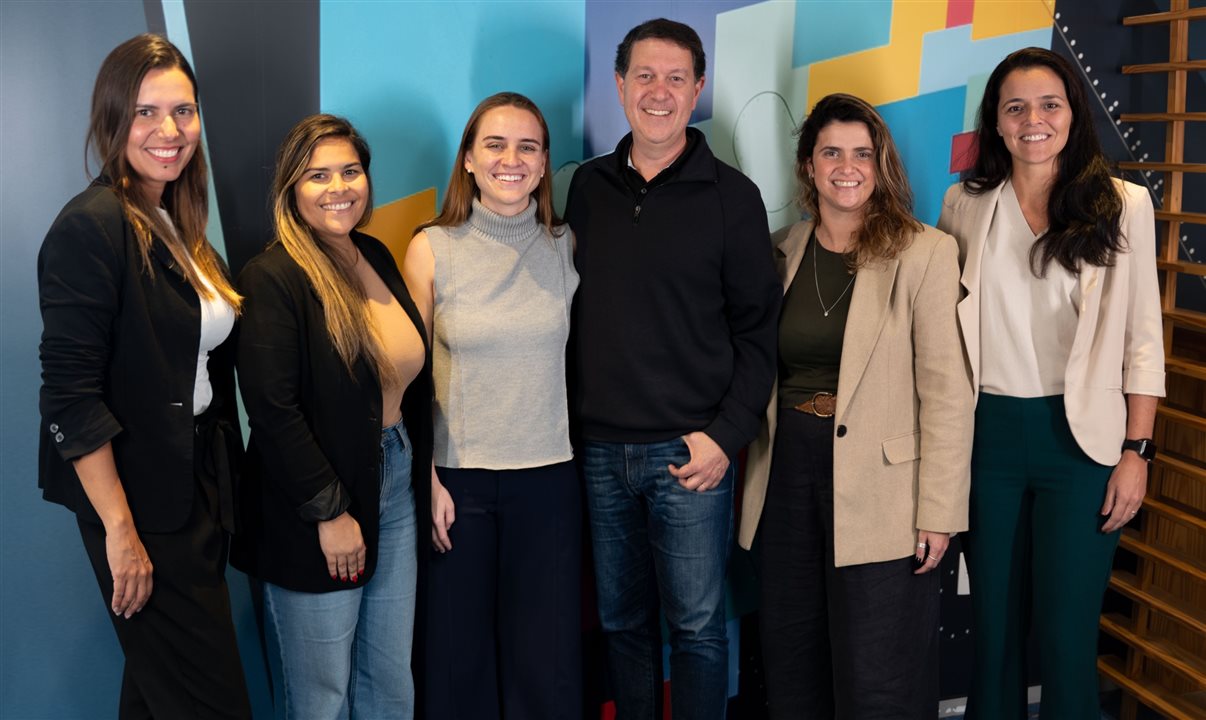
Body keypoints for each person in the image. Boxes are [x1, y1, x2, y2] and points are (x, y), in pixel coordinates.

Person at [937, 47, 1165, 720]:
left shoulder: (1124, 205)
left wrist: (1137, 453)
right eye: (1015, 107)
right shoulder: (964, 204)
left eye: (1049, 104)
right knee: (995, 640)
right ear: (996, 123)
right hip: (990, 443)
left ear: (1074, 114)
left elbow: (1143, 342)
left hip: (1086, 448)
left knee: (1066, 644)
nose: (1032, 120)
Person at [565, 18, 781, 719]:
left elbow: (758, 333)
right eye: (645, 76)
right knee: (622, 624)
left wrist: (723, 436)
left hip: (690, 455)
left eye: (676, 78)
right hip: (599, 452)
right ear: (620, 85)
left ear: (699, 89)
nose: (660, 92)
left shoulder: (733, 198)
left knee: (695, 629)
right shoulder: (586, 189)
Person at [738, 92, 973, 719]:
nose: (848, 166)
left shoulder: (925, 252)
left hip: (885, 485)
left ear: (881, 163)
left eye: (863, 153)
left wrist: (940, 512)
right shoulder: (778, 249)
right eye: (832, 152)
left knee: (880, 674)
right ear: (808, 165)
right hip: (786, 475)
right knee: (792, 660)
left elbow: (948, 393)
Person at [37, 33, 252, 719]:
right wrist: (119, 533)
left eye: (183, 111)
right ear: (112, 119)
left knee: (159, 699)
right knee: (209, 704)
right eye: (146, 112)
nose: (170, 130)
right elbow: (69, 398)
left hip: (194, 493)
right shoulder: (90, 228)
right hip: (136, 505)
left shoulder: (176, 223)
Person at [232, 114, 432, 720]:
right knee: (322, 697)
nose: (338, 187)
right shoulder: (273, 277)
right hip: (316, 502)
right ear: (292, 188)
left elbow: (404, 378)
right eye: (317, 175)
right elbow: (272, 410)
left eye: (350, 171)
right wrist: (329, 512)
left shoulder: (371, 252)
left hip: (394, 478)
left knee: (390, 681)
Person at [402, 91, 581, 720]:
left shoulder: (565, 246)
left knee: (546, 664)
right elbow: (403, 379)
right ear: (469, 161)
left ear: (543, 162)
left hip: (548, 479)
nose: (512, 159)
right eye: (495, 145)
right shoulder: (433, 248)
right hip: (457, 482)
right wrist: (424, 477)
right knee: (458, 663)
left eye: (527, 146)